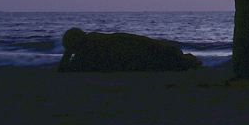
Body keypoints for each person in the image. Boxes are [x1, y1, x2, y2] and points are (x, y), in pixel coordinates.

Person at [59, 27, 201, 72]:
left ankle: (186, 61)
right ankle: (186, 61)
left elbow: (65, 70)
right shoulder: (93, 42)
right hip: (139, 51)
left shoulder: (90, 49)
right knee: (166, 58)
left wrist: (68, 54)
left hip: (139, 53)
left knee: (167, 60)